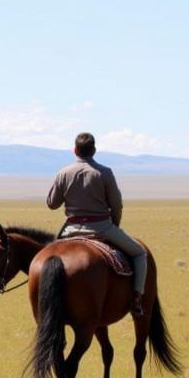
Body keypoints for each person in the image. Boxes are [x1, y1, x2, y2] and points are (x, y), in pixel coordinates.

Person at [46, 132, 148, 315]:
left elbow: (52, 204)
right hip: (102, 228)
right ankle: (137, 298)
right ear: (94, 150)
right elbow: (117, 204)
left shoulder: (63, 173)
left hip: (70, 230)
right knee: (140, 253)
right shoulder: (105, 172)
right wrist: (114, 225)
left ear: (74, 150)